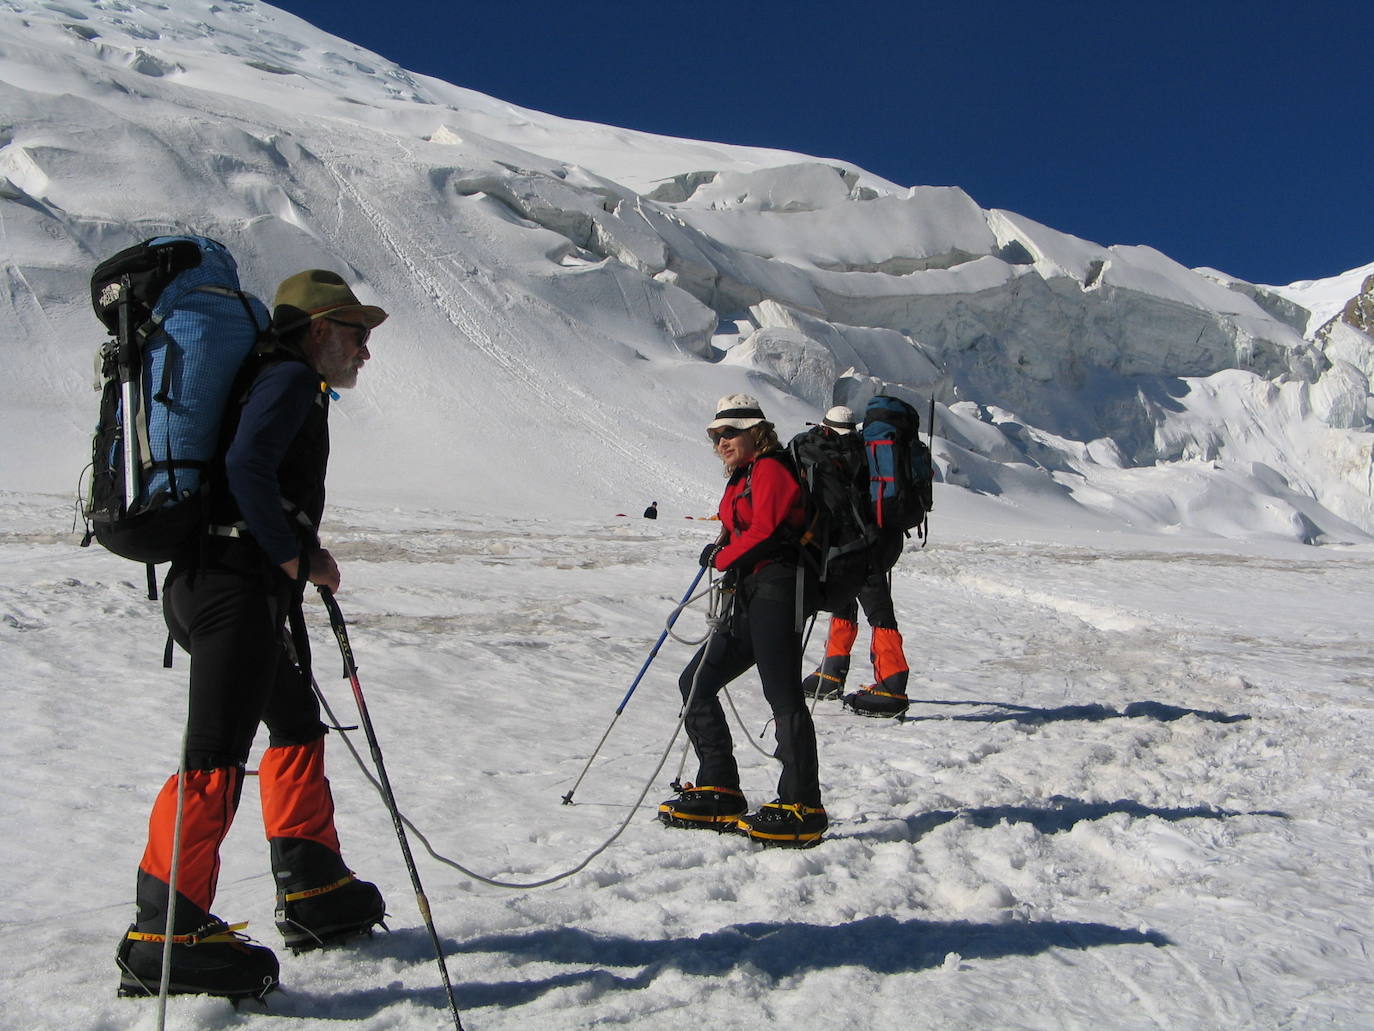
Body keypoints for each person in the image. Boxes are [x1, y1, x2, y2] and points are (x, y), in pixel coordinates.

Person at [115, 270, 390, 1001]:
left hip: (228, 583)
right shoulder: (290, 378)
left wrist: (301, 553)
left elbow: (259, 476)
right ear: (320, 328)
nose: (366, 349)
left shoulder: (286, 378)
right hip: (230, 587)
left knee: (297, 722)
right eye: (358, 332)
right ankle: (162, 934)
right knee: (213, 754)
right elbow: (245, 465)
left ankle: (312, 885)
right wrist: (292, 553)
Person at [658, 394, 828, 847]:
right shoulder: (743, 477)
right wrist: (723, 549)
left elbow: (767, 529)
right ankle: (720, 786)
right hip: (749, 595)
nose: (721, 441)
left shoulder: (771, 468)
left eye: (729, 432)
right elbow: (739, 530)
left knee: (784, 694)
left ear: (756, 431)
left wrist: (723, 555)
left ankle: (802, 803)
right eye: (716, 435)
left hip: (778, 590)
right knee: (696, 682)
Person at [802, 405, 912, 718]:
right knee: (846, 598)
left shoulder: (834, 454)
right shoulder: (867, 451)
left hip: (859, 545)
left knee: (876, 608)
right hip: (878, 541)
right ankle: (832, 671)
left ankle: (892, 683)